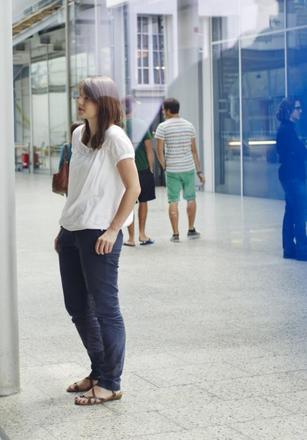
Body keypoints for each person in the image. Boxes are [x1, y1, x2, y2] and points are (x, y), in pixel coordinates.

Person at [56, 76, 140, 406]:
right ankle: (98, 371)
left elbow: (133, 188)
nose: (80, 101)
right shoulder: (79, 134)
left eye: (86, 97)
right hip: (72, 231)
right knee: (77, 307)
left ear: (103, 101)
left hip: (99, 233)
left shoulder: (116, 139)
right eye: (79, 96)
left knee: (105, 309)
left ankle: (111, 382)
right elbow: (77, 188)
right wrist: (63, 228)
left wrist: (114, 229)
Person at [276, 97, 307, 262]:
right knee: (302, 212)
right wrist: (304, 149)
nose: (300, 110)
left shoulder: (286, 129)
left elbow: (295, 151)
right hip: (293, 175)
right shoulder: (288, 130)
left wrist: (301, 149)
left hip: (288, 174)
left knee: (291, 212)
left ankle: (289, 249)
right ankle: (303, 250)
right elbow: (302, 152)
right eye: (298, 108)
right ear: (289, 110)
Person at [155, 98, 204, 242]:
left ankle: (175, 234)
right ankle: (191, 229)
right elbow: (194, 150)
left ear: (169, 110)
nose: (163, 113)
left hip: (172, 169)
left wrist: (165, 166)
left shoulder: (162, 127)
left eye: (164, 110)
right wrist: (199, 171)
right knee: (191, 198)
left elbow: (159, 151)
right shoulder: (189, 125)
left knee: (173, 201)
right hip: (188, 167)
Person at [123, 95, 156, 246]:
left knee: (129, 203)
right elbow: (149, 150)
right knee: (143, 201)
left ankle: (130, 238)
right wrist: (151, 169)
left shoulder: (119, 125)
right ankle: (142, 234)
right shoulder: (142, 124)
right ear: (134, 107)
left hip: (125, 170)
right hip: (142, 169)